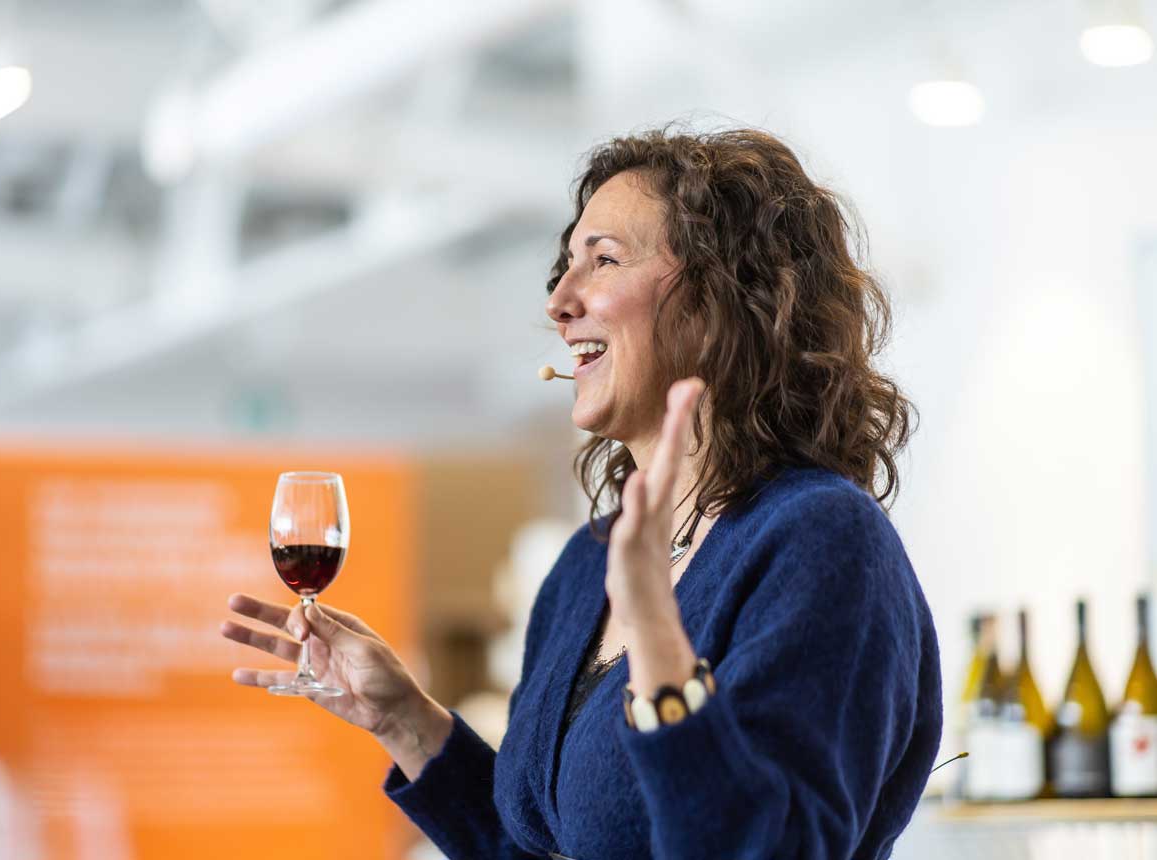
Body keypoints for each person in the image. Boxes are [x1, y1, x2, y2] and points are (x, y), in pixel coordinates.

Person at [220, 126, 942, 859]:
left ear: (722, 296)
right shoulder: (583, 567)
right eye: (567, 267)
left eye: (603, 260)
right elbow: (535, 848)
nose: (560, 302)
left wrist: (659, 642)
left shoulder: (822, 541)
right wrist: (403, 718)